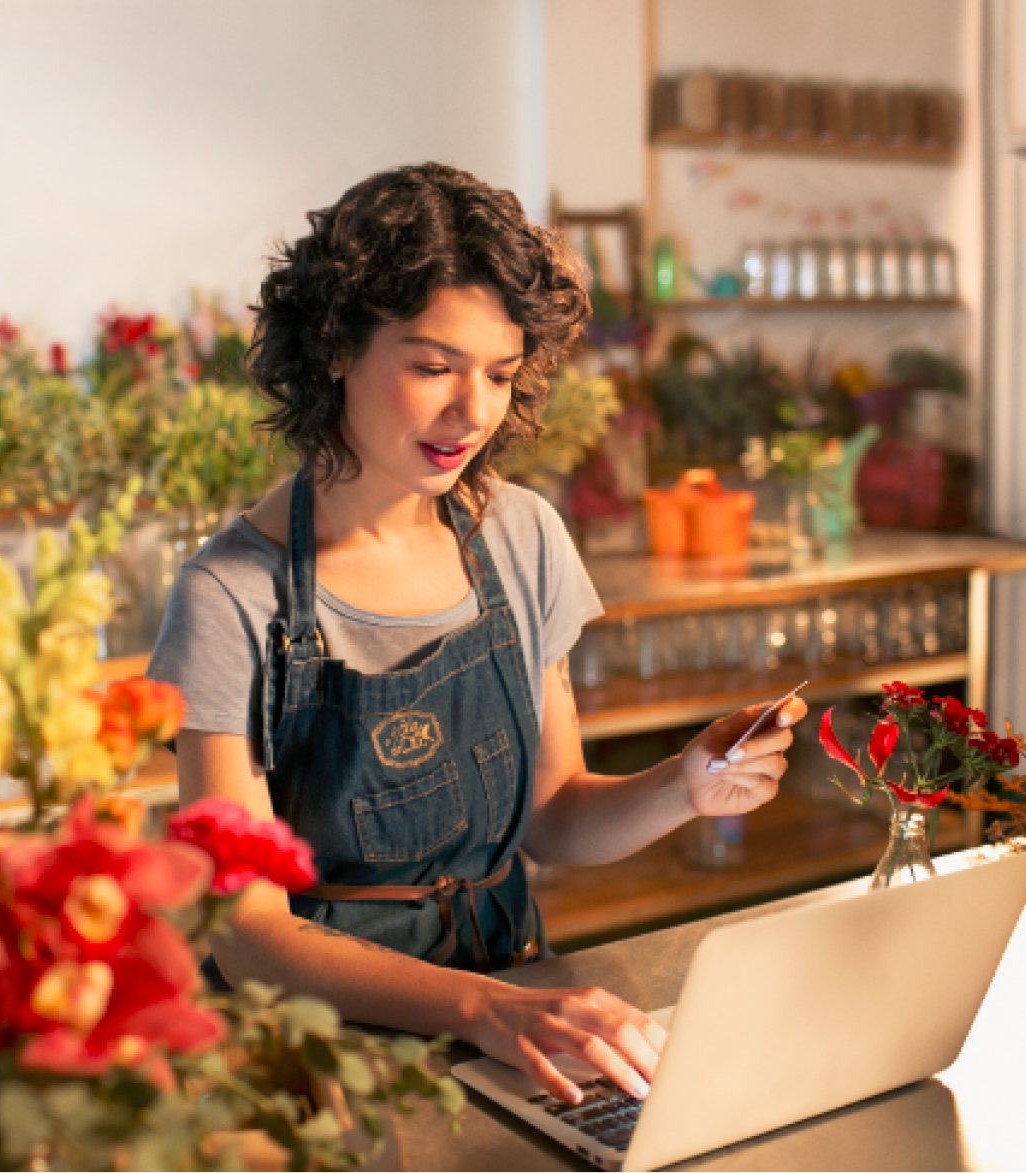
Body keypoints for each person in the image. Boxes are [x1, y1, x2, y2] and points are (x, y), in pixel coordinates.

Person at [147, 162, 807, 1105]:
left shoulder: (519, 534)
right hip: (312, 1060)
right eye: (431, 367)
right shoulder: (231, 595)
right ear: (336, 346)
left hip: (512, 1005)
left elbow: (554, 812)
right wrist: (479, 1007)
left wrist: (686, 784)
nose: (473, 412)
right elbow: (248, 930)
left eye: (498, 374)